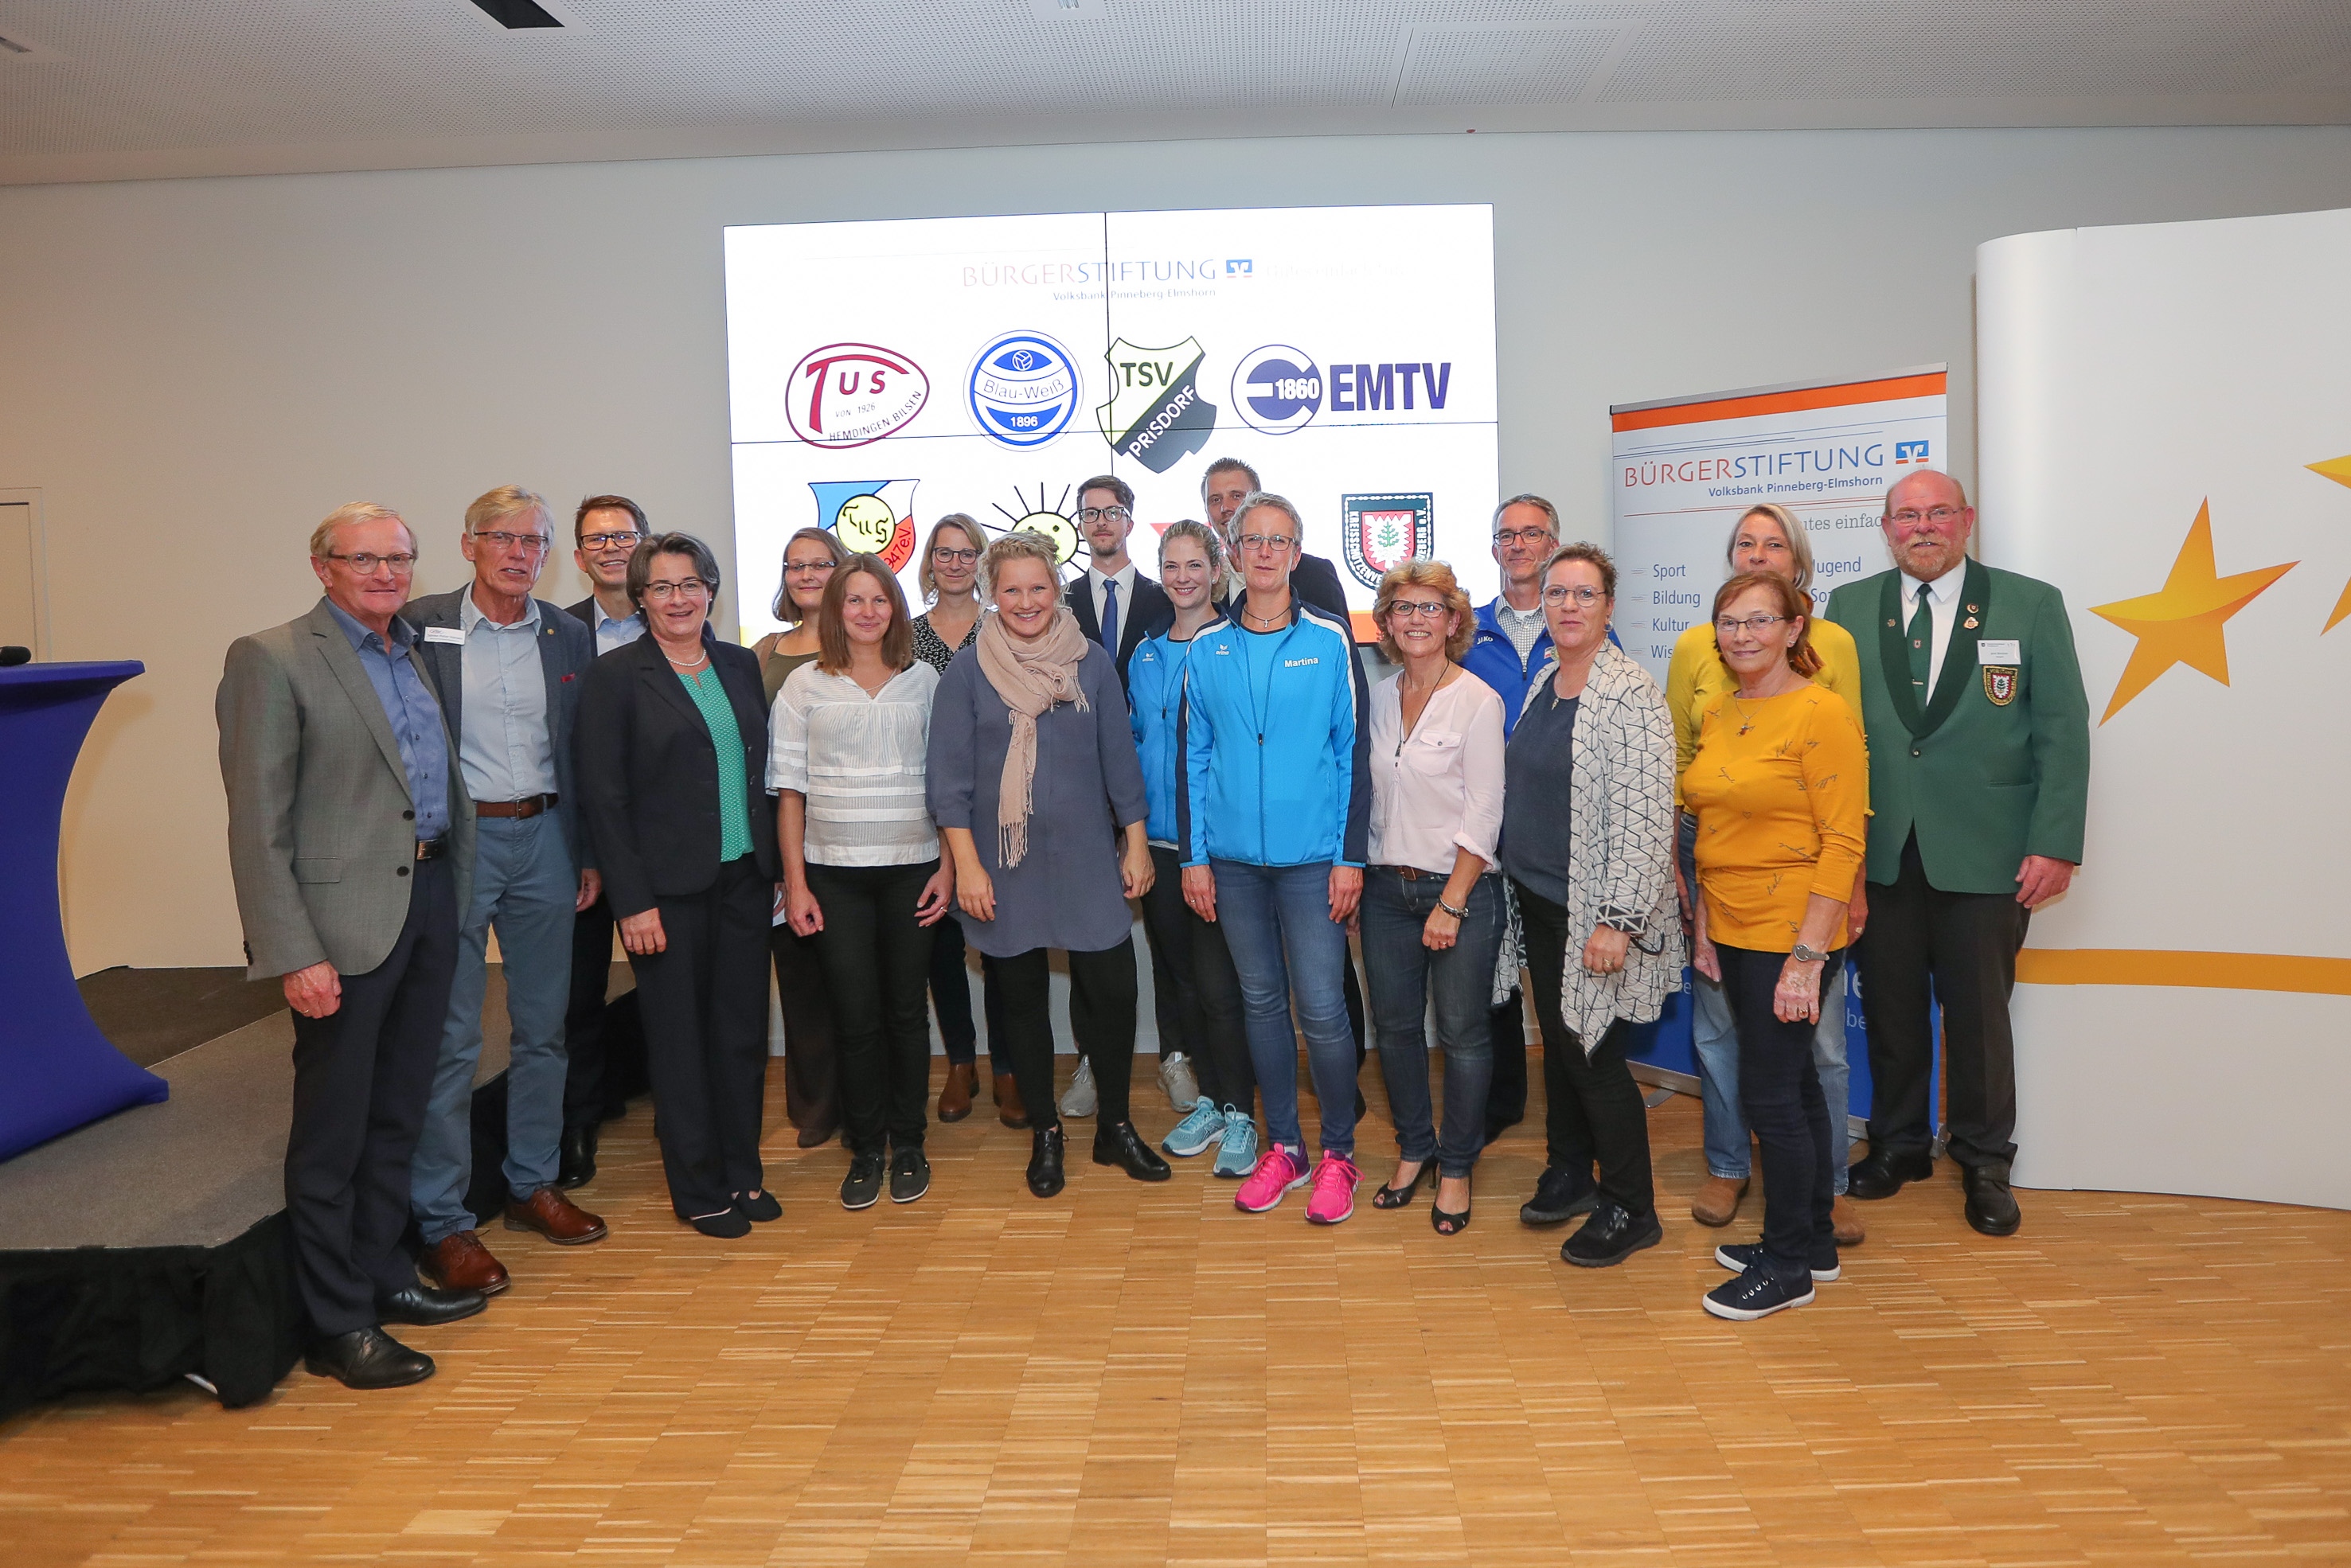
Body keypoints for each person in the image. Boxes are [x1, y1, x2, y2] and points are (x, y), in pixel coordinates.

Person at [216, 502, 482, 1390]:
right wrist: (293, 949)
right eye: (363, 559)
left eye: (398, 558)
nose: (384, 573)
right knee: (333, 1131)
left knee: (398, 1111)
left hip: (429, 901)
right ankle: (337, 1323)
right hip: (342, 928)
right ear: (322, 566)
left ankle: (379, 1277)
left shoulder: (410, 648)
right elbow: (258, 827)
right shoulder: (274, 657)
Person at [1824, 470, 2090, 1236]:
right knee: (1895, 1009)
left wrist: (2054, 842)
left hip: (1989, 850)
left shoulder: (2028, 603)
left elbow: (2061, 731)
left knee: (1977, 1016)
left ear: (1966, 520)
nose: (1923, 527)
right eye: (1906, 516)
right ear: (1884, 528)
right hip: (1881, 849)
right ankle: (1899, 1145)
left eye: (1939, 512)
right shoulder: (1846, 609)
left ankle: (1982, 1161)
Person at [404, 486, 606, 1302]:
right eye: (505, 537)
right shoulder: (419, 626)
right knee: (451, 1038)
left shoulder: (568, 633)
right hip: (461, 844)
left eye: (536, 541)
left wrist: (588, 850)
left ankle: (531, 1181)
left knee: (543, 1028)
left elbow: (583, 751)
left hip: (548, 840)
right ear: (469, 544)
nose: (520, 553)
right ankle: (444, 1220)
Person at [928, 531, 1170, 1197]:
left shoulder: (1089, 661)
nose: (1026, 600)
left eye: (1038, 587)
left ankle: (1115, 1127)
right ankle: (1046, 1133)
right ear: (990, 593)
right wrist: (967, 868)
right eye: (1011, 589)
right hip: (1002, 866)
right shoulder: (967, 670)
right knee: (1021, 1002)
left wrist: (1138, 842)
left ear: (1057, 587)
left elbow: (1119, 759)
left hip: (1089, 857)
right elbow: (946, 783)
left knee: (1113, 993)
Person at [1664, 504, 1868, 1246]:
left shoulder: (1820, 714)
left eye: (1758, 622)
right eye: (1729, 623)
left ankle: (1785, 1256)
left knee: (1775, 1094)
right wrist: (1705, 929)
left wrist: (1807, 959)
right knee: (1792, 1088)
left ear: (1792, 629)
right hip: (1733, 926)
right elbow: (1710, 828)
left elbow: (1843, 840)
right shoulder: (1720, 714)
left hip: (1792, 930)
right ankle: (1811, 1233)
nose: (1741, 635)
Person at [576, 532, 781, 1239]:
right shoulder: (616, 677)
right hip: (664, 893)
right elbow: (604, 798)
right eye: (660, 588)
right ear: (639, 599)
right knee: (680, 1041)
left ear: (711, 590)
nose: (677, 599)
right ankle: (697, 1188)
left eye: (690, 584)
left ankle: (742, 1172)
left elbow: (757, 772)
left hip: (745, 879)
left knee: (741, 1036)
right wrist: (631, 901)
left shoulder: (735, 665)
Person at [1181, 492, 1373, 1223]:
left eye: (1278, 541)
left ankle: (1339, 1157)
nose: (1264, 553)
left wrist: (1348, 857)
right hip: (1229, 864)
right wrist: (1193, 859)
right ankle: (1284, 1148)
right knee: (1260, 1004)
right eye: (1251, 541)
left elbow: (1349, 755)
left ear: (1297, 554)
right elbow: (1192, 758)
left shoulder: (1329, 640)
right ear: (1233, 554)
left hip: (1311, 862)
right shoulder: (1205, 649)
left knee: (1322, 1010)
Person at [1503, 543, 1682, 1267]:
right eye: (1555, 594)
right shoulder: (1545, 679)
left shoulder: (1630, 692)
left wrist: (1616, 920)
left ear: (1609, 607)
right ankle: (1571, 1169)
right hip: (1540, 900)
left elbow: (1645, 818)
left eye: (1583, 594)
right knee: (1562, 1043)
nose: (1567, 606)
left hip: (1596, 913)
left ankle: (1631, 1208)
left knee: (1595, 1055)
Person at [775, 555, 956, 1211]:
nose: (867, 612)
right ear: (834, 610)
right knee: (854, 1018)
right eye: (854, 600)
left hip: (912, 867)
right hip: (834, 875)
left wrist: (947, 864)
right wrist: (795, 884)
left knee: (907, 1015)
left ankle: (908, 1142)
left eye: (879, 600)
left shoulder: (926, 681)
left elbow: (946, 785)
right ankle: (865, 1148)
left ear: (895, 609)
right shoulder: (802, 686)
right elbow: (788, 791)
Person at [1361, 560, 1507, 1236]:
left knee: (1462, 1035)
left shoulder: (1477, 698)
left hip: (1462, 893)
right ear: (1386, 622)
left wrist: (1451, 902)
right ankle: (1414, 1148)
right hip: (1385, 891)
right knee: (1393, 1031)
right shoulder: (1380, 695)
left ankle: (1455, 1165)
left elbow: (1485, 811)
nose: (1415, 619)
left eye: (1430, 608)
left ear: (1453, 621)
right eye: (1402, 608)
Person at [1058, 474, 1189, 1119]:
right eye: (1090, 514)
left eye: (1112, 512)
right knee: (1088, 936)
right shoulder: (1053, 602)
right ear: (1080, 524)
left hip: (1155, 795)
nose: (1102, 523)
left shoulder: (1168, 597)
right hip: (1081, 794)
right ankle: (1091, 1056)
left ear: (1131, 521)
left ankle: (1174, 1054)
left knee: (1169, 935)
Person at [1129, 521, 1257, 1176]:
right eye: (1170, 565)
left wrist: (1202, 849)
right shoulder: (1144, 654)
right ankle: (1210, 1099)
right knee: (1178, 981)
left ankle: (1241, 1112)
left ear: (1216, 571)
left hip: (1211, 848)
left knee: (1218, 986)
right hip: (1154, 844)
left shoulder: (1231, 648)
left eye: (1193, 565)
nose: (1181, 576)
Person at [1461, 493, 1560, 1152]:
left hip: (1559, 834)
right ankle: (1501, 1102)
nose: (1518, 545)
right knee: (1489, 973)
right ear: (1494, 548)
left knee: (1558, 984)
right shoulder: (1463, 629)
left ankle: (1568, 1114)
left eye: (1532, 534)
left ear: (1553, 544)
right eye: (1507, 535)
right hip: (1486, 832)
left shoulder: (1582, 621)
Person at [557, 493, 649, 1188]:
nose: (611, 548)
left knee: (667, 989)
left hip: (661, 846)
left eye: (623, 536)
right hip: (580, 846)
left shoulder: (677, 623)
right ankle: (580, 1120)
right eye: (597, 538)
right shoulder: (556, 634)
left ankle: (671, 1105)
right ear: (579, 554)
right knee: (577, 993)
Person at [910, 514, 1013, 1128]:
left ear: (982, 561)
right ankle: (959, 1063)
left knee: (1001, 944)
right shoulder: (904, 633)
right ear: (929, 561)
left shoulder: (1005, 628)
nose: (954, 562)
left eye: (966, 552)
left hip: (1000, 804)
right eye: (943, 553)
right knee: (940, 947)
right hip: (929, 805)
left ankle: (1006, 1067)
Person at [753, 525, 849, 1149]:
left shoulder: (864, 644)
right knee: (801, 976)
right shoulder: (760, 652)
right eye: (795, 566)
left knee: (856, 975)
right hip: (779, 835)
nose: (806, 576)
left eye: (819, 564)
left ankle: (863, 1099)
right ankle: (816, 1106)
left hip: (849, 833)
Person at [1198, 458, 1349, 620]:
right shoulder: (1201, 580)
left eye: (1236, 496)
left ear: (1256, 501)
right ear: (1206, 511)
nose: (1225, 507)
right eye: (1215, 500)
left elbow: (1339, 641)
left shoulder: (1316, 575)